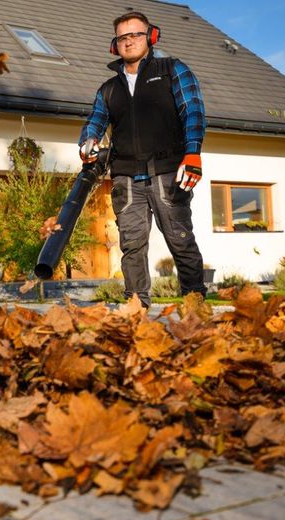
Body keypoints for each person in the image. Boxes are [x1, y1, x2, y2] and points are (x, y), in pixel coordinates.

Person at [78, 10, 207, 308]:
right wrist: (88, 141)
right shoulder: (108, 89)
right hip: (125, 177)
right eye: (122, 37)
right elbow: (95, 122)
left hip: (168, 172)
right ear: (115, 45)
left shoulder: (173, 70)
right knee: (132, 246)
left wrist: (192, 153)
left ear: (151, 36)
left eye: (136, 34)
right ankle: (136, 310)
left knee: (180, 240)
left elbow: (194, 112)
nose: (129, 41)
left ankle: (195, 306)